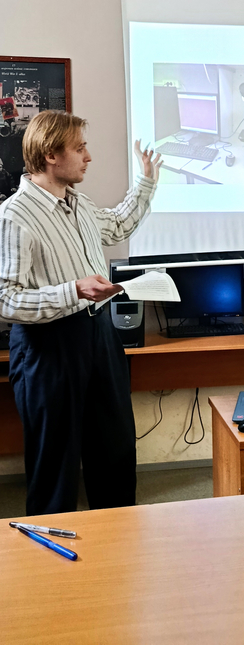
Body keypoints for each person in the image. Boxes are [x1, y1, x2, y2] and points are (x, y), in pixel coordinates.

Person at [0, 110, 162, 515]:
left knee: (115, 449)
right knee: (55, 465)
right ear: (51, 154)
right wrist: (72, 290)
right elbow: (5, 299)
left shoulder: (79, 203)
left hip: (99, 336)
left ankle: (120, 538)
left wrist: (146, 181)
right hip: (48, 347)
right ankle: (51, 552)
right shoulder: (15, 215)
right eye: (80, 148)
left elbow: (118, 226)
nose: (88, 157)